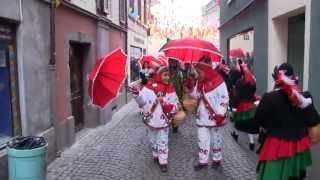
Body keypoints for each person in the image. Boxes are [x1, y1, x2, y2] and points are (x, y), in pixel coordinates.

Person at [253, 63, 320, 180]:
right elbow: (314, 120)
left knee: (272, 176)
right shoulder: (305, 96)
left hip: (275, 146)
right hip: (298, 147)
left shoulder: (269, 97)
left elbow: (260, 120)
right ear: (293, 76)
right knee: (296, 175)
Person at [129, 65, 180, 173]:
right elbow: (142, 102)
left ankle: (163, 161)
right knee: (152, 141)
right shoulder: (148, 87)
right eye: (165, 75)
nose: (167, 77)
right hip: (151, 120)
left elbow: (176, 105)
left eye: (168, 75)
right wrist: (137, 95)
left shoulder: (171, 89)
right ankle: (156, 155)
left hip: (163, 121)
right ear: (158, 75)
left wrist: (166, 105)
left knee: (163, 142)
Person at [190, 58, 229, 171]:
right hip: (201, 117)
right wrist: (191, 87)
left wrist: (221, 113)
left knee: (216, 140)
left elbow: (225, 98)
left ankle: (217, 159)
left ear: (205, 70)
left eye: (199, 71)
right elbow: (197, 96)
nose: (197, 74)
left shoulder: (218, 80)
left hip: (215, 118)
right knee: (202, 140)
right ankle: (203, 161)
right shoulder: (199, 82)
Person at [230, 59, 259, 151]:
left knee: (239, 122)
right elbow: (254, 92)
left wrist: (234, 106)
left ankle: (236, 134)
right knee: (249, 125)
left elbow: (237, 95)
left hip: (242, 105)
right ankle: (251, 143)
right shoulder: (253, 80)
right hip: (251, 105)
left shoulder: (239, 82)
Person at [169, 58, 184, 133]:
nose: (173, 63)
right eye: (171, 61)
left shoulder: (180, 72)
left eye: (174, 61)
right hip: (169, 94)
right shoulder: (167, 72)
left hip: (178, 93)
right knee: (170, 109)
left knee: (176, 110)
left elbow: (182, 84)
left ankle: (175, 125)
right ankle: (170, 122)